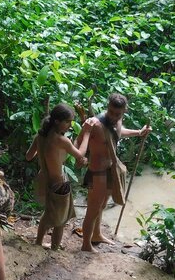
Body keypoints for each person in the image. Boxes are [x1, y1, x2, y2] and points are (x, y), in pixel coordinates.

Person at [80, 93, 150, 252]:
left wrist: (139, 132)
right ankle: (85, 245)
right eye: (111, 112)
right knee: (92, 209)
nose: (113, 116)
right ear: (107, 107)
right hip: (96, 172)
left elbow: (118, 132)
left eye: (118, 114)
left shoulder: (118, 120)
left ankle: (96, 234)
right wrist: (81, 157)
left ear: (124, 111)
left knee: (102, 205)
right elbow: (79, 143)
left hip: (110, 169)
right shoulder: (95, 124)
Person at [25, 103, 95, 250]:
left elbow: (29, 156)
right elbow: (80, 155)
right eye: (68, 121)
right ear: (57, 121)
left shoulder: (40, 136)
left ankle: (38, 242)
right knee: (61, 221)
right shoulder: (61, 140)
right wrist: (87, 133)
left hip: (43, 180)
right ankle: (55, 248)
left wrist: (44, 152)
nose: (70, 125)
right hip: (58, 185)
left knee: (48, 213)